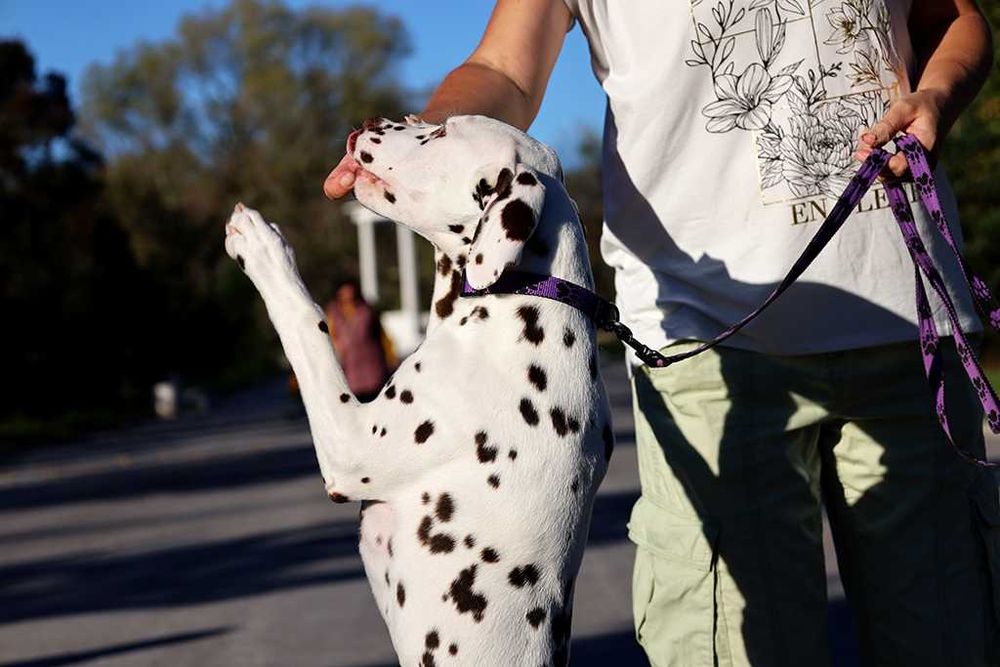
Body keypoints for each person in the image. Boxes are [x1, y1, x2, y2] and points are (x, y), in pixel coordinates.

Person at [324, 2, 999, 665]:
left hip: (911, 330)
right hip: (705, 346)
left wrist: (937, 92)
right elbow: (506, 69)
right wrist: (423, 143)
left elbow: (954, 19)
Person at [324, 280, 393, 403]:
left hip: (373, 369)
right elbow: (330, 338)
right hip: (349, 372)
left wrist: (391, 357)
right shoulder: (333, 314)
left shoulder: (367, 311)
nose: (348, 300)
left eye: (352, 296)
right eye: (344, 297)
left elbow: (382, 336)